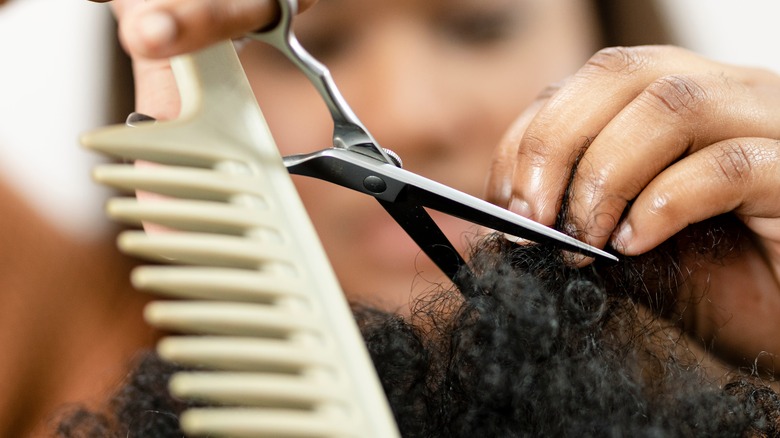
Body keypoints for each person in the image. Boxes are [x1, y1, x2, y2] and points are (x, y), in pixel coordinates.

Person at [62, 0, 780, 435]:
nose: (410, 114)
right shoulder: (61, 332)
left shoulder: (741, 351)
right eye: (327, 42)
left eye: (480, 24)